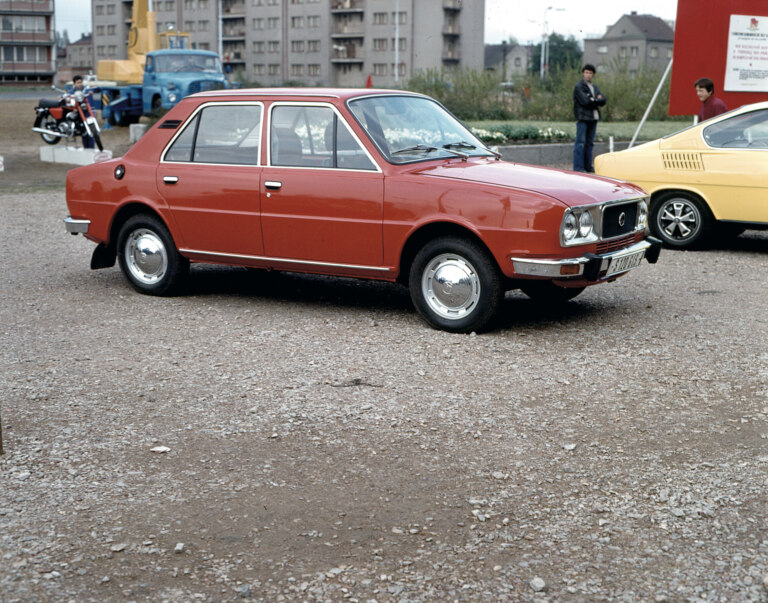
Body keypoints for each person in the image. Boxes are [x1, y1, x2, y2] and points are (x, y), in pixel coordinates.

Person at [572, 64, 606, 173]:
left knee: (590, 143)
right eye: (586, 72)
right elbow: (585, 101)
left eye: (590, 73)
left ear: (593, 75)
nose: (588, 75)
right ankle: (578, 167)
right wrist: (596, 100)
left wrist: (593, 99)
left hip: (593, 117)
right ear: (583, 73)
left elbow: (603, 100)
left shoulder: (594, 87)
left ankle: (588, 166)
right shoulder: (579, 86)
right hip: (583, 117)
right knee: (580, 143)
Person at [71, 75, 95, 149]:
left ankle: (91, 148)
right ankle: (86, 148)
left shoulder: (86, 89)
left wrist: (93, 90)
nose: (80, 84)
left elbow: (93, 90)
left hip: (88, 112)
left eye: (81, 82)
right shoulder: (73, 91)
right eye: (78, 83)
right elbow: (67, 94)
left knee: (91, 131)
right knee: (84, 132)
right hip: (80, 113)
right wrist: (62, 96)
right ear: (74, 83)